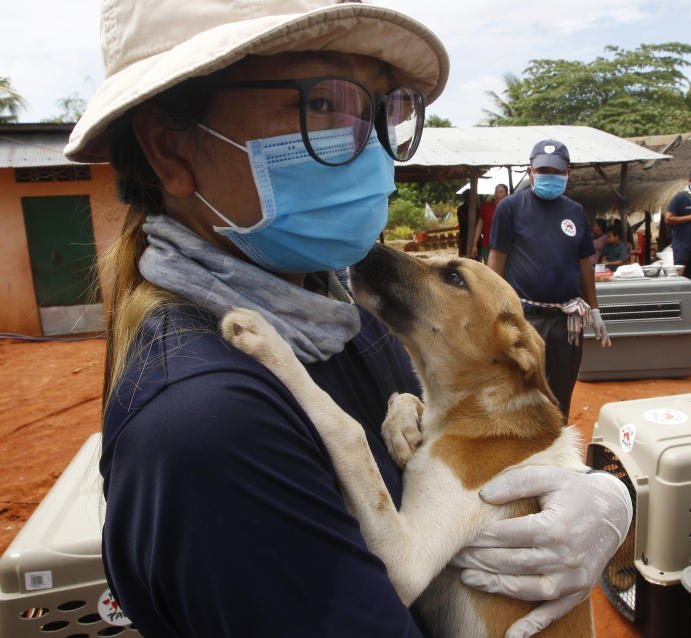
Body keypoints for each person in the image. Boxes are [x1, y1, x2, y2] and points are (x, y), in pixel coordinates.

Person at [64, 2, 632, 636]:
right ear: (170, 147)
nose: (370, 145)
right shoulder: (210, 427)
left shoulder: (335, 313)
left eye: (382, 109)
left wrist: (596, 493)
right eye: (323, 103)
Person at [488, 139, 611, 420]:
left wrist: (594, 309)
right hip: (526, 319)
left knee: (561, 393)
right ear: (530, 173)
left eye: (556, 172)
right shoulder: (510, 208)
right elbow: (497, 259)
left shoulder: (575, 212)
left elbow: (585, 265)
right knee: (522, 391)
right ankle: (523, 454)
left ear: (567, 173)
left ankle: (557, 447)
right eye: (543, 170)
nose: (550, 177)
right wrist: (494, 309)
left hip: (567, 321)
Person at [471, 183, 508, 263]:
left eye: (501, 192)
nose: (497, 194)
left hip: (505, 247)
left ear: (506, 194)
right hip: (488, 246)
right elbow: (479, 226)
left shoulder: (510, 207)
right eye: (496, 191)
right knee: (490, 272)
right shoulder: (486, 206)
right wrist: (474, 244)